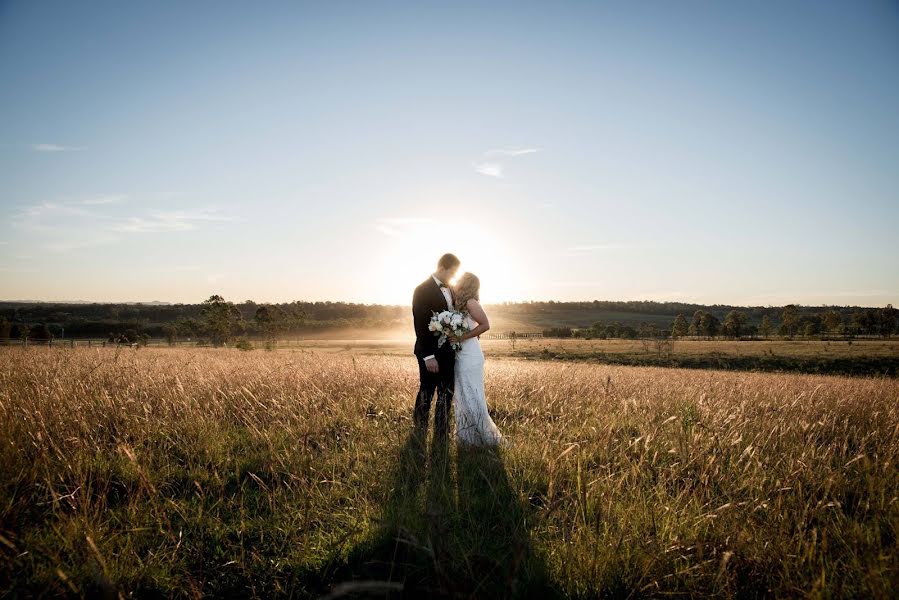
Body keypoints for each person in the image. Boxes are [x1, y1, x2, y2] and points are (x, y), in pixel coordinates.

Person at [448, 272, 504, 446]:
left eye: (460, 279)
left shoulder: (471, 302)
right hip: (460, 355)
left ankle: (486, 436)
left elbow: (486, 325)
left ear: (466, 283)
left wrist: (462, 337)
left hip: (471, 355)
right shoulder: (458, 303)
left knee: (473, 393)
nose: (456, 281)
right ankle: (467, 437)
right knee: (462, 394)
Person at [411, 253, 460, 440]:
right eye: (452, 272)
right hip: (429, 350)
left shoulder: (452, 289)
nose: (453, 277)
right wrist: (428, 356)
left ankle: (442, 431)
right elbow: (420, 324)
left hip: (448, 349)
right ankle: (419, 429)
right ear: (442, 269)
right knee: (427, 388)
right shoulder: (422, 289)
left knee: (447, 391)